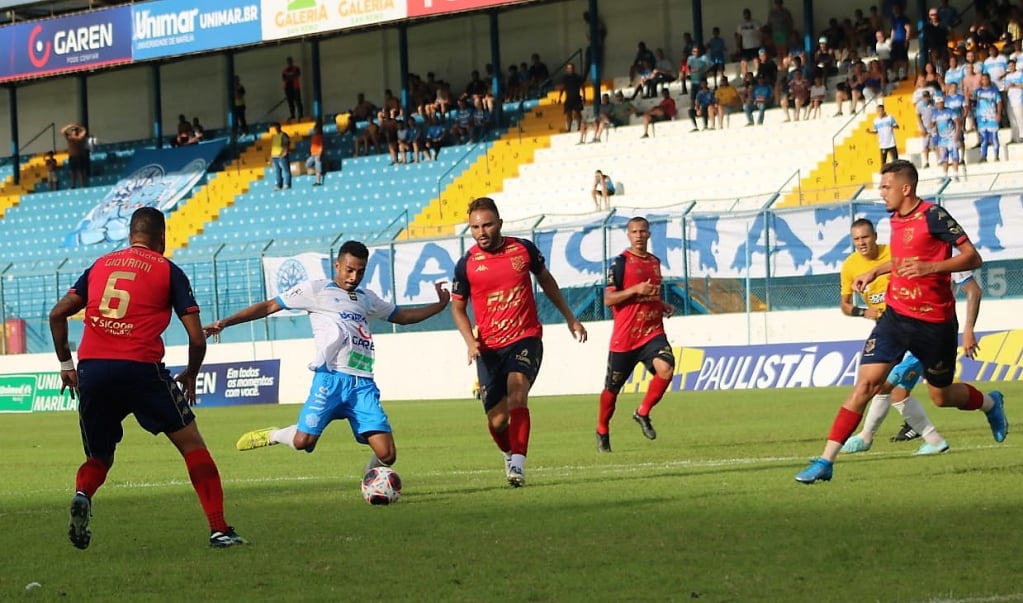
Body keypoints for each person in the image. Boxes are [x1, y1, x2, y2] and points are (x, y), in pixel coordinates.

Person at [795, 160, 1008, 485]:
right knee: (866, 386)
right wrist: (875, 271)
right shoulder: (894, 219)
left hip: (935, 323)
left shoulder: (934, 216)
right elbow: (900, 259)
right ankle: (826, 461)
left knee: (941, 396)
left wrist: (929, 268)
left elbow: (973, 258)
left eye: (886, 187)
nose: (881, 193)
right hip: (896, 317)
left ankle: (991, 403)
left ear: (906, 188)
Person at [48, 207, 246, 549]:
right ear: (163, 237)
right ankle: (219, 529)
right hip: (140, 368)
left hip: (92, 369)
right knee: (192, 445)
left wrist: (66, 364)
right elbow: (197, 338)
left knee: (99, 458)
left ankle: (83, 494)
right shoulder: (169, 271)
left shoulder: (99, 266)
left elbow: (57, 313)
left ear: (130, 236)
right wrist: (191, 374)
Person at [207, 241, 449, 479]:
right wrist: (226, 322)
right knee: (303, 441)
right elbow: (270, 305)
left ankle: (371, 476)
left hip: (362, 384)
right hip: (330, 379)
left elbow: (403, 316)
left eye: (361, 271)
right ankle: (274, 435)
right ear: (337, 265)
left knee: (387, 455)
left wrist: (440, 305)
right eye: (349, 270)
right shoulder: (316, 290)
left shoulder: (368, 298)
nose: (354, 277)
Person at [451, 197, 588, 487]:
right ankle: (508, 452)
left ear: (499, 223)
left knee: (517, 392)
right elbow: (458, 308)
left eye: (487, 224)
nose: (481, 232)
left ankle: (518, 465)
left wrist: (570, 317)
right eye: (475, 227)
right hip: (488, 348)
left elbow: (546, 280)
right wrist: (470, 342)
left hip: (525, 337)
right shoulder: (467, 265)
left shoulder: (523, 249)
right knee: (498, 421)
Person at [837, 218, 982, 457]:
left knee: (913, 390)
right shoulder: (852, 265)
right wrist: (865, 312)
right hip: (893, 333)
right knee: (897, 390)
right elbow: (845, 303)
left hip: (927, 332)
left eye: (865, 237)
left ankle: (868, 436)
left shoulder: (939, 257)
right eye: (857, 239)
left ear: (875, 235)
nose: (862, 242)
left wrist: (968, 329)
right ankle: (930, 437)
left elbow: (973, 288)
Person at [595, 217, 675, 453]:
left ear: (649, 234)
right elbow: (609, 299)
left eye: (643, 231)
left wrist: (662, 304)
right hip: (625, 338)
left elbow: (649, 295)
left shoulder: (655, 262)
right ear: (628, 235)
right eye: (634, 232)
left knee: (666, 370)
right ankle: (602, 429)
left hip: (652, 333)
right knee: (612, 390)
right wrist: (634, 290)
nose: (639, 235)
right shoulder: (619, 263)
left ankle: (642, 412)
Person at [558, 62, 585, 133]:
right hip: (568, 98)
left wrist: (584, 96)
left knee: (578, 113)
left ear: (574, 69)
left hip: (576, 97)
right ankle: (569, 128)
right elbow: (562, 88)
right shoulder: (565, 78)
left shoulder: (577, 77)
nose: (570, 69)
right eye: (569, 68)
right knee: (568, 113)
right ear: (567, 69)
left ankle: (579, 127)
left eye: (571, 68)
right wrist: (559, 98)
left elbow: (582, 87)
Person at [61, 122, 88, 188]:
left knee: (80, 171)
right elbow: (62, 131)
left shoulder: (80, 137)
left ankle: (82, 185)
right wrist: (69, 126)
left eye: (75, 130)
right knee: (72, 172)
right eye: (73, 130)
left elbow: (84, 131)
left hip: (79, 156)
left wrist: (78, 126)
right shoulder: (69, 137)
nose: (74, 131)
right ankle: (73, 185)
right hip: (72, 157)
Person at [269, 122, 291, 190]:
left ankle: (287, 183)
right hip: (275, 156)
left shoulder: (283, 135)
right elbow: (273, 147)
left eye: (276, 127)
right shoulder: (275, 136)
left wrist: (285, 151)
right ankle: (278, 184)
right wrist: (271, 156)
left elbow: (287, 143)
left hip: (281, 155)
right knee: (277, 171)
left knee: (285, 170)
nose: (275, 129)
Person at [282, 56, 304, 121]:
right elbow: (284, 78)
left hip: (295, 88)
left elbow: (297, 75)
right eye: (288, 61)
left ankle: (301, 115)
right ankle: (292, 115)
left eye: (290, 61)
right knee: (290, 103)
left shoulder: (296, 68)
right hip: (288, 89)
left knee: (298, 102)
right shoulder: (285, 71)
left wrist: (289, 77)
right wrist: (292, 76)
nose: (289, 62)